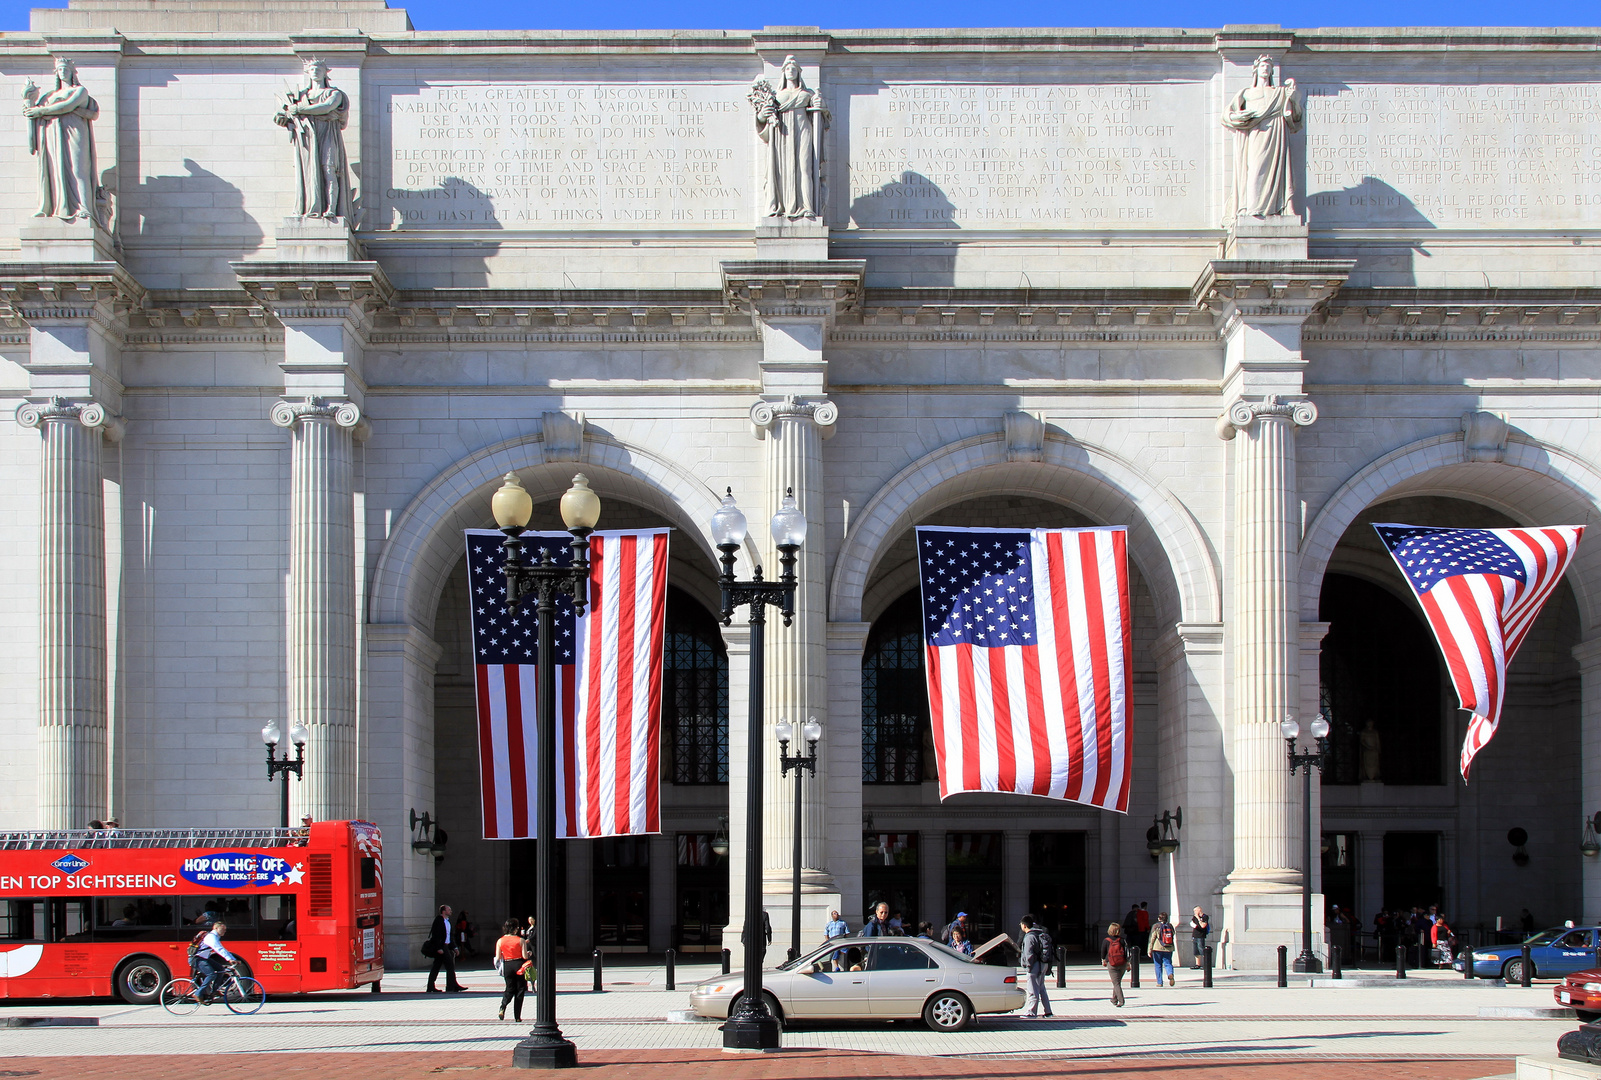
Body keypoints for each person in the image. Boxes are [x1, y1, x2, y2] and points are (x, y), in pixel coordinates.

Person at [193, 920, 239, 1003]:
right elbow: (219, 949)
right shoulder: (211, 937)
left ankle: (214, 991)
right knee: (211, 974)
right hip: (197, 959)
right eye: (223, 929)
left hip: (203, 958)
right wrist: (229, 959)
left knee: (221, 969)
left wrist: (233, 959)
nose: (225, 931)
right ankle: (198, 993)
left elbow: (223, 949)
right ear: (216, 928)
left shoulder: (215, 937)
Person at [494, 919, 531, 1021]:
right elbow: (524, 956)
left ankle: (503, 1006)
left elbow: (497, 957)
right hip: (519, 964)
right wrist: (529, 954)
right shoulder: (521, 940)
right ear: (515, 928)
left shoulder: (500, 940)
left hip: (507, 965)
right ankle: (517, 1016)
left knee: (510, 988)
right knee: (520, 990)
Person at [1018, 915, 1054, 1019]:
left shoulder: (1029, 936)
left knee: (1032, 989)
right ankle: (1048, 1011)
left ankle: (1031, 1012)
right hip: (1043, 964)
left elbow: (1028, 954)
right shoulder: (1040, 933)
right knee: (1041, 988)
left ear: (1024, 925)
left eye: (1021, 924)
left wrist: (1027, 966)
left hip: (1034, 966)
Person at [426, 903, 467, 993]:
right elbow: (436, 935)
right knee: (449, 966)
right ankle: (451, 986)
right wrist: (438, 948)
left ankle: (432, 986)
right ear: (444, 911)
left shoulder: (447, 921)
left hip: (446, 946)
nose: (451, 911)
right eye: (449, 910)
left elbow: (449, 936)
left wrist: (454, 947)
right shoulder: (439, 920)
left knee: (437, 966)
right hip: (441, 947)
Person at [1101, 921, 1130, 1007]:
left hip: (1112, 963)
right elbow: (1127, 952)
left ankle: (1121, 1001)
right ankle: (1114, 999)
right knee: (1117, 982)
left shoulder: (1106, 941)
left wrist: (1103, 960)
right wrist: (1128, 963)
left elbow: (1103, 952)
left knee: (1116, 983)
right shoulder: (1122, 940)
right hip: (1122, 963)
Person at [1148, 910, 1176, 987]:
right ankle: (1170, 974)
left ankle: (1159, 982)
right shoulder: (1170, 926)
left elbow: (1152, 938)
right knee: (1168, 963)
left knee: (1158, 965)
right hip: (1168, 948)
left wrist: (1149, 949)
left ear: (1159, 918)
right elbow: (1172, 934)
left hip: (1157, 948)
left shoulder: (1156, 926)